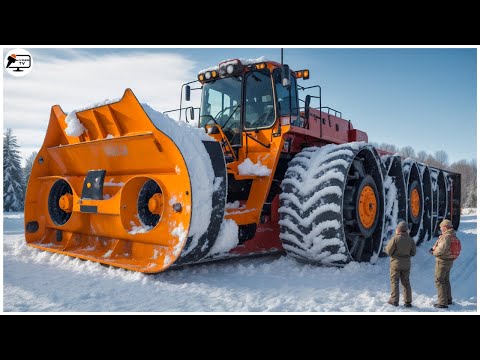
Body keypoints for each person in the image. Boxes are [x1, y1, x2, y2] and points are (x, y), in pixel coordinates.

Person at [385, 221, 416, 308]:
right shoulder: (411, 240)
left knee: (394, 281)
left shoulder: (395, 239)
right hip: (406, 264)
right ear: (406, 230)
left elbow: (388, 251)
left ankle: (394, 300)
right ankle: (408, 302)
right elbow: (413, 253)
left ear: (398, 229)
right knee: (406, 282)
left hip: (395, 264)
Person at [430, 219, 457, 309]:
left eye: (441, 227)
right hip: (449, 261)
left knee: (439, 281)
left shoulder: (446, 237)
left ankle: (442, 303)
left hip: (442, 261)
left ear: (445, 227)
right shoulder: (453, 235)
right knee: (445, 280)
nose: (440, 228)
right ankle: (448, 299)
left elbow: (440, 250)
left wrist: (433, 252)